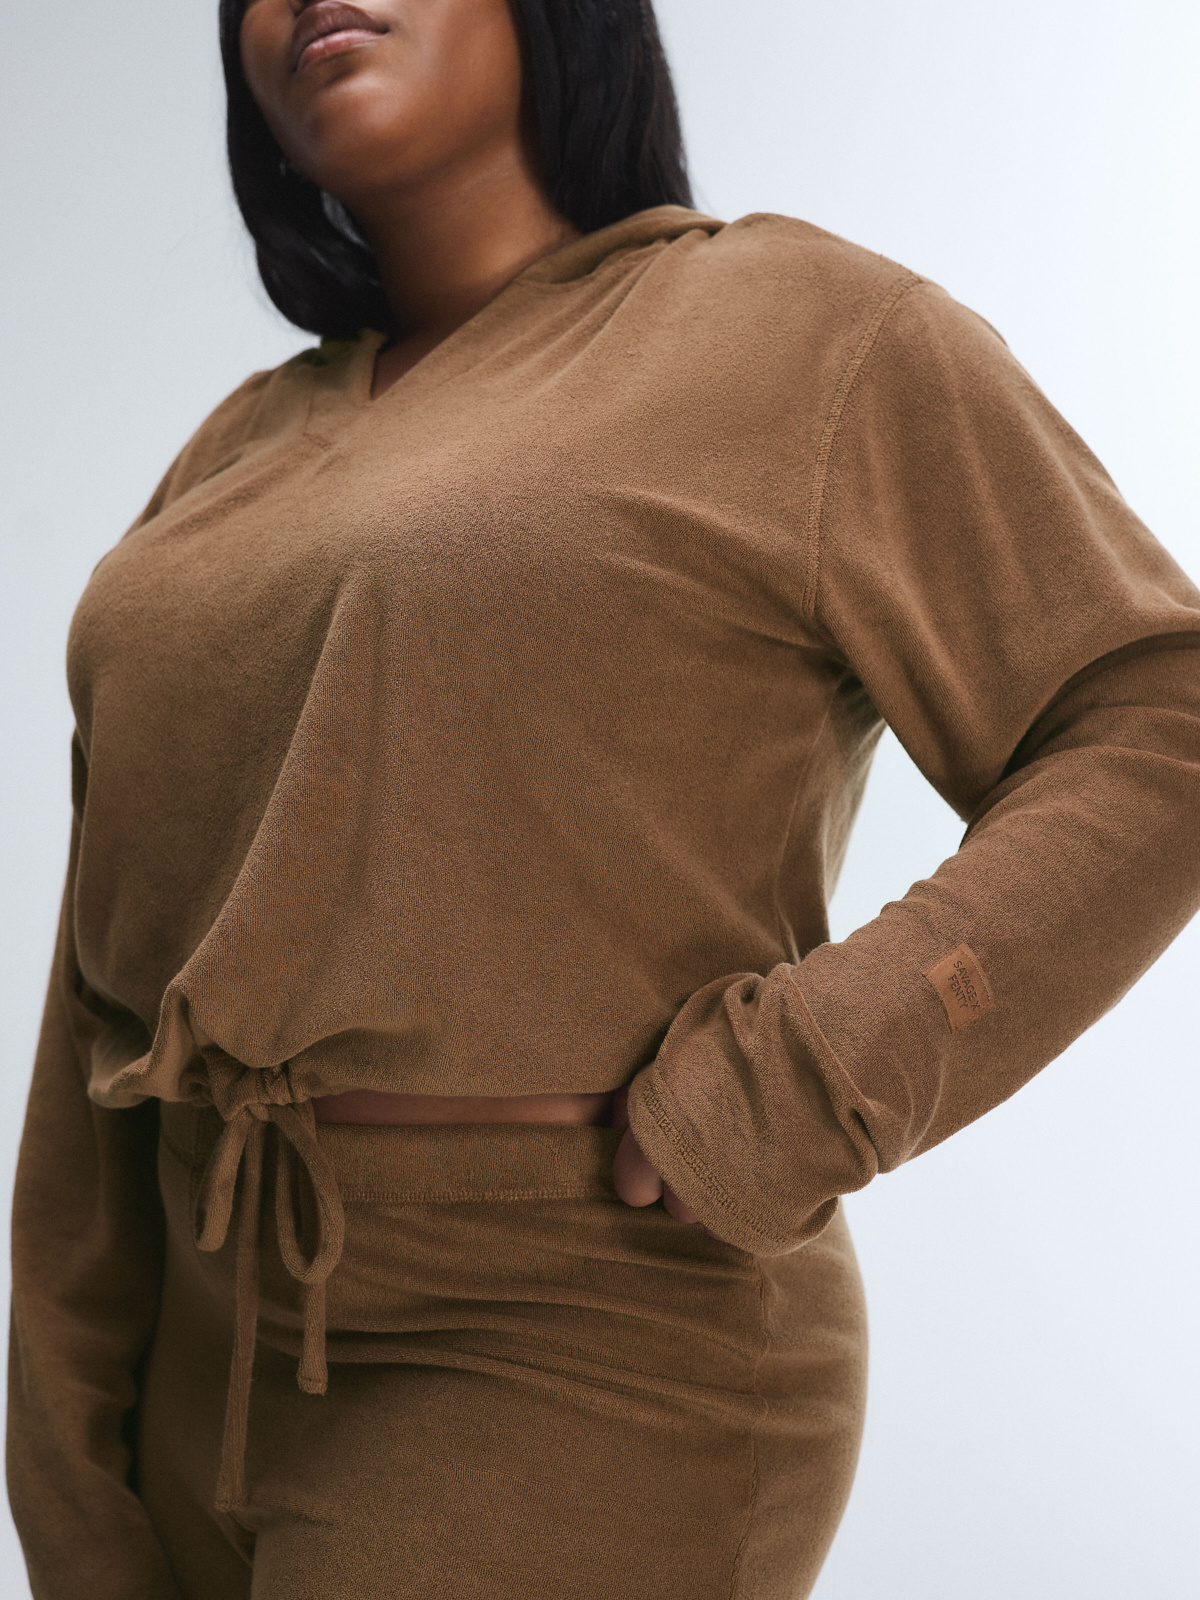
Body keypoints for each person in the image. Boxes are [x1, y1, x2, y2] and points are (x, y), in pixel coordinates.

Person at [7, 0, 1200, 1595]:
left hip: (574, 1353)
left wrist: (822, 1071)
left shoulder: (802, 332)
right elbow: (101, 1007)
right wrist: (65, 1446)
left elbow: (1157, 718)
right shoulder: (234, 447)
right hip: (197, 1363)